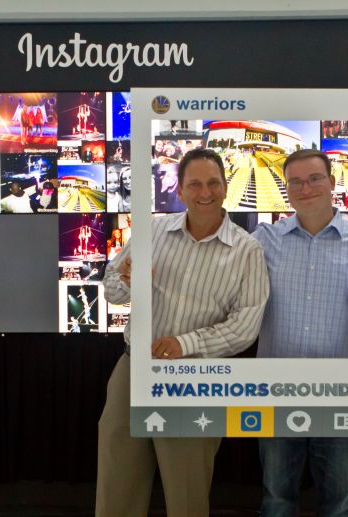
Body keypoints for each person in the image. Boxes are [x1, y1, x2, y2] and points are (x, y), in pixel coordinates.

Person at [96, 148, 269, 517]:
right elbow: (112, 287)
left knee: (186, 495)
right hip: (134, 370)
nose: (204, 192)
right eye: (194, 184)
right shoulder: (153, 231)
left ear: (225, 187)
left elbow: (245, 327)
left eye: (212, 183)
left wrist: (183, 344)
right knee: (116, 487)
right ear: (180, 191)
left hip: (197, 379)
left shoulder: (247, 250)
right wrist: (129, 283)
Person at [252, 149, 348, 517]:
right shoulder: (264, 239)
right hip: (275, 391)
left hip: (341, 394)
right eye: (296, 181)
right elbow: (222, 282)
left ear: (332, 183)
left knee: (338, 505)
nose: (306, 188)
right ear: (286, 188)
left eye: (315, 178)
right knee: (276, 501)